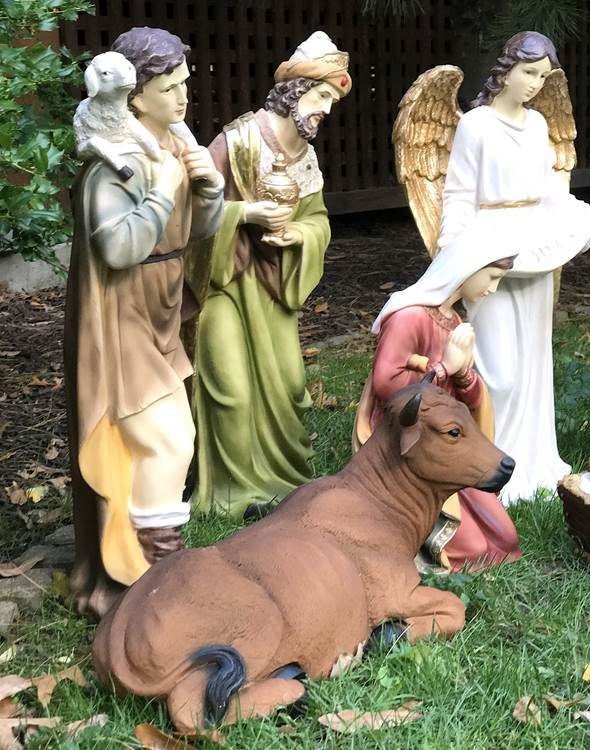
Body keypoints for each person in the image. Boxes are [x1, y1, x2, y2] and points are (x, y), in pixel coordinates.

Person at [65, 27, 224, 618]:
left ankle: (155, 572)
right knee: (166, 441)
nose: (183, 97)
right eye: (169, 88)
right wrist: (161, 192)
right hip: (122, 318)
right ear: (134, 96)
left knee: (174, 441)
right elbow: (117, 248)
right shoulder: (116, 166)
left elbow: (195, 230)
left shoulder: (174, 148)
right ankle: (150, 582)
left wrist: (208, 189)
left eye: (184, 83)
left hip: (161, 312)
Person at [438, 31, 590, 503]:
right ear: (506, 69)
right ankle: (489, 458)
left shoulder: (536, 125)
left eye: (542, 76)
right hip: (490, 249)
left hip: (535, 249)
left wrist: (582, 213)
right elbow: (458, 193)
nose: (534, 83)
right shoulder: (476, 125)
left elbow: (548, 188)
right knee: (498, 370)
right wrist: (452, 250)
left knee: (533, 363)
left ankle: (531, 461)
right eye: (528, 72)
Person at [189, 32, 351, 518]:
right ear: (295, 91)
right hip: (223, 285)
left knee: (289, 387)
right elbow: (191, 213)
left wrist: (298, 234)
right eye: (321, 96)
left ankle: (284, 482)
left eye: (332, 101)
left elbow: (318, 220)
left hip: (273, 287)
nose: (325, 109)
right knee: (231, 391)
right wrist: (246, 214)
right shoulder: (238, 141)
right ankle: (233, 495)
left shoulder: (307, 156)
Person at [356, 243, 523, 571]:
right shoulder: (407, 317)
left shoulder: (454, 321)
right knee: (473, 549)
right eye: (491, 277)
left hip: (447, 439)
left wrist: (463, 375)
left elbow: (463, 402)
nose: (493, 288)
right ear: (467, 268)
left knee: (504, 538)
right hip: (409, 443)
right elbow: (387, 387)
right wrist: (445, 367)